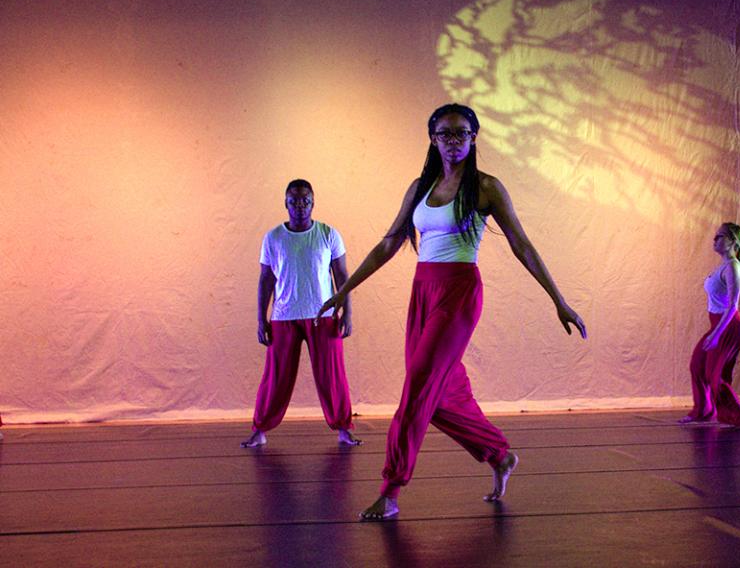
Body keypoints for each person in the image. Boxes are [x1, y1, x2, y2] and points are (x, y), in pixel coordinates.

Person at [317, 103, 587, 521]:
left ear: (474, 137)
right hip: (423, 290)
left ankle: (390, 491)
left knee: (416, 391)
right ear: (433, 138)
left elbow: (523, 245)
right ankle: (498, 454)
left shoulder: (486, 187)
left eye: (462, 133)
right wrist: (344, 290)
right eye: (445, 134)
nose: (454, 141)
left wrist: (559, 299)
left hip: (459, 293)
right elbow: (389, 244)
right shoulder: (420, 187)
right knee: (439, 396)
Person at [241, 179, 361, 448]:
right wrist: (261, 319)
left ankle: (343, 428)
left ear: (313, 202)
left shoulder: (328, 234)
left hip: (323, 316)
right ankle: (260, 430)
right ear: (285, 203)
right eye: (293, 201)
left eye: (305, 200)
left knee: (332, 375)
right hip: (283, 316)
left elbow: (342, 277)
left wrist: (348, 314)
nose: (299, 206)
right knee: (276, 376)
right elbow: (265, 280)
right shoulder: (273, 238)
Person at [679, 222, 740, 428]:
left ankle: (737, 417)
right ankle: (703, 410)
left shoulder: (733, 267)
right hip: (717, 324)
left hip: (730, 326)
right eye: (715, 236)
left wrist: (717, 334)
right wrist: (715, 331)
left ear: (732, 242)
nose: (715, 240)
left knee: (714, 374)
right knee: (697, 365)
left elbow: (733, 305)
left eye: (720, 237)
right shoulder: (722, 266)